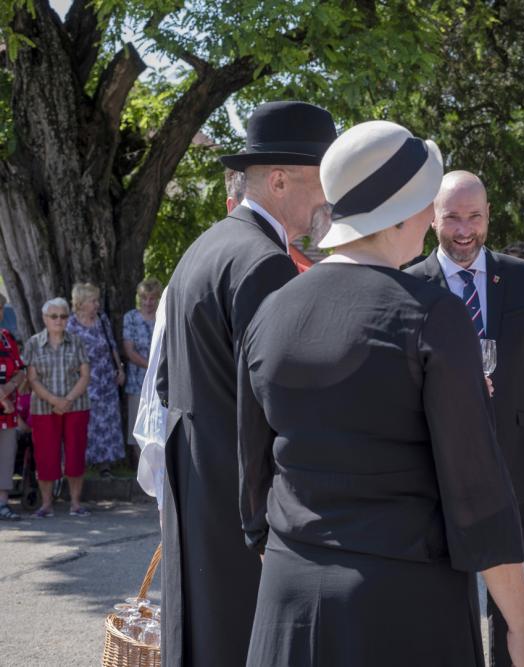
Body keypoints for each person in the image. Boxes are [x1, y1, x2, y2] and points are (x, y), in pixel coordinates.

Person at [237, 120, 524, 667]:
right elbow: (477, 492)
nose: (432, 219)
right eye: (428, 204)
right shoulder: (431, 314)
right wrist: (523, 629)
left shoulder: (271, 310)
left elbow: (254, 474)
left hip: (289, 597)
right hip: (401, 603)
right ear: (403, 212)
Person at [155, 101, 337, 667]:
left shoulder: (207, 246)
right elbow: (279, 401)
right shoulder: (264, 262)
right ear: (279, 180)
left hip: (196, 479)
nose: (327, 199)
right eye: (321, 181)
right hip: (239, 496)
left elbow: (165, 380)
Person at [406, 170, 524, 667]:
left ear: (488, 216)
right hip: (435, 467)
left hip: (516, 461)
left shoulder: (522, 277)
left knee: (513, 597)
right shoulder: (410, 282)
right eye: (452, 218)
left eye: (474, 217)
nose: (464, 230)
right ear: (432, 218)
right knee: (447, 592)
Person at [22, 298, 90, 517]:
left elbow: (85, 375)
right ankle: (46, 505)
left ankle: (76, 504)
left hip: (76, 406)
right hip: (43, 408)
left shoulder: (77, 342)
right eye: (54, 316)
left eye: (63, 316)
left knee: (75, 455)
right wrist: (54, 400)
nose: (59, 320)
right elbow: (32, 378)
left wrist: (67, 400)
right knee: (46, 456)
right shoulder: (33, 343)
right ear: (44, 318)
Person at [66, 282, 124, 474]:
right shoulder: (72, 324)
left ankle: (105, 464)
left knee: (108, 422)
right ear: (81, 303)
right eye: (93, 301)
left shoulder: (102, 319)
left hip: (106, 378)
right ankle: (84, 461)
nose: (97, 304)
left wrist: (119, 369)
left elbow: (112, 345)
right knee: (88, 422)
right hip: (84, 382)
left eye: (97, 300)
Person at [122, 279, 161, 468]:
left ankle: (159, 469)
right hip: (138, 380)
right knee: (138, 425)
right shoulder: (130, 318)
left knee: (159, 424)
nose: (148, 302)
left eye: (152, 298)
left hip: (162, 380)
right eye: (144, 297)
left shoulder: (163, 316)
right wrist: (152, 367)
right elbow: (130, 352)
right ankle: (142, 468)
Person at [0, 322, 25, 521]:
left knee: (6, 457)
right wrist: (3, 398)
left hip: (7, 414)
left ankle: (2, 504)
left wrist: (9, 387)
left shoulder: (7, 336)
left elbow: (20, 370)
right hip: (5, 404)